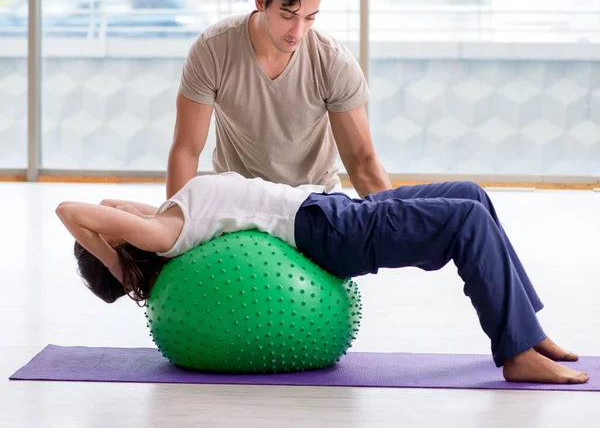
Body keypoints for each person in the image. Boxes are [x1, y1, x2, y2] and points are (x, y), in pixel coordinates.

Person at [56, 173, 588, 385]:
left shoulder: (161, 216)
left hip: (328, 207)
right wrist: (112, 265)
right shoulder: (161, 235)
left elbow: (103, 204)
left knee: (470, 195)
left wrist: (112, 239)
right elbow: (69, 207)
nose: (117, 208)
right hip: (326, 229)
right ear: (123, 250)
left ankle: (529, 331)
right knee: (465, 221)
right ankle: (515, 353)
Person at [166, 0, 391, 199]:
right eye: (288, 15)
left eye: (310, 18)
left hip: (314, 200)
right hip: (238, 200)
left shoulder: (334, 62)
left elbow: (362, 161)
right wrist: (175, 224)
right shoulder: (213, 50)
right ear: (260, 2)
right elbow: (186, 150)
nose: (298, 32)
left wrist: (395, 232)